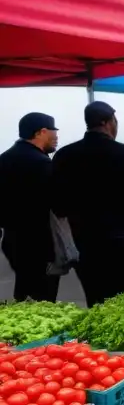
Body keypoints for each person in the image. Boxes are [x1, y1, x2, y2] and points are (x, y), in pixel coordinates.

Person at [52, 102, 124, 306]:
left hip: (87, 244)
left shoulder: (64, 156)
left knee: (97, 303)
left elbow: (58, 206)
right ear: (107, 123)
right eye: (115, 121)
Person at [0, 113, 60, 301]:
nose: (56, 137)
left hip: (13, 240)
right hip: (40, 242)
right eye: (53, 132)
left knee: (24, 291)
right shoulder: (41, 163)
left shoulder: (4, 158)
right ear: (41, 132)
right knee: (44, 298)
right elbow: (58, 203)